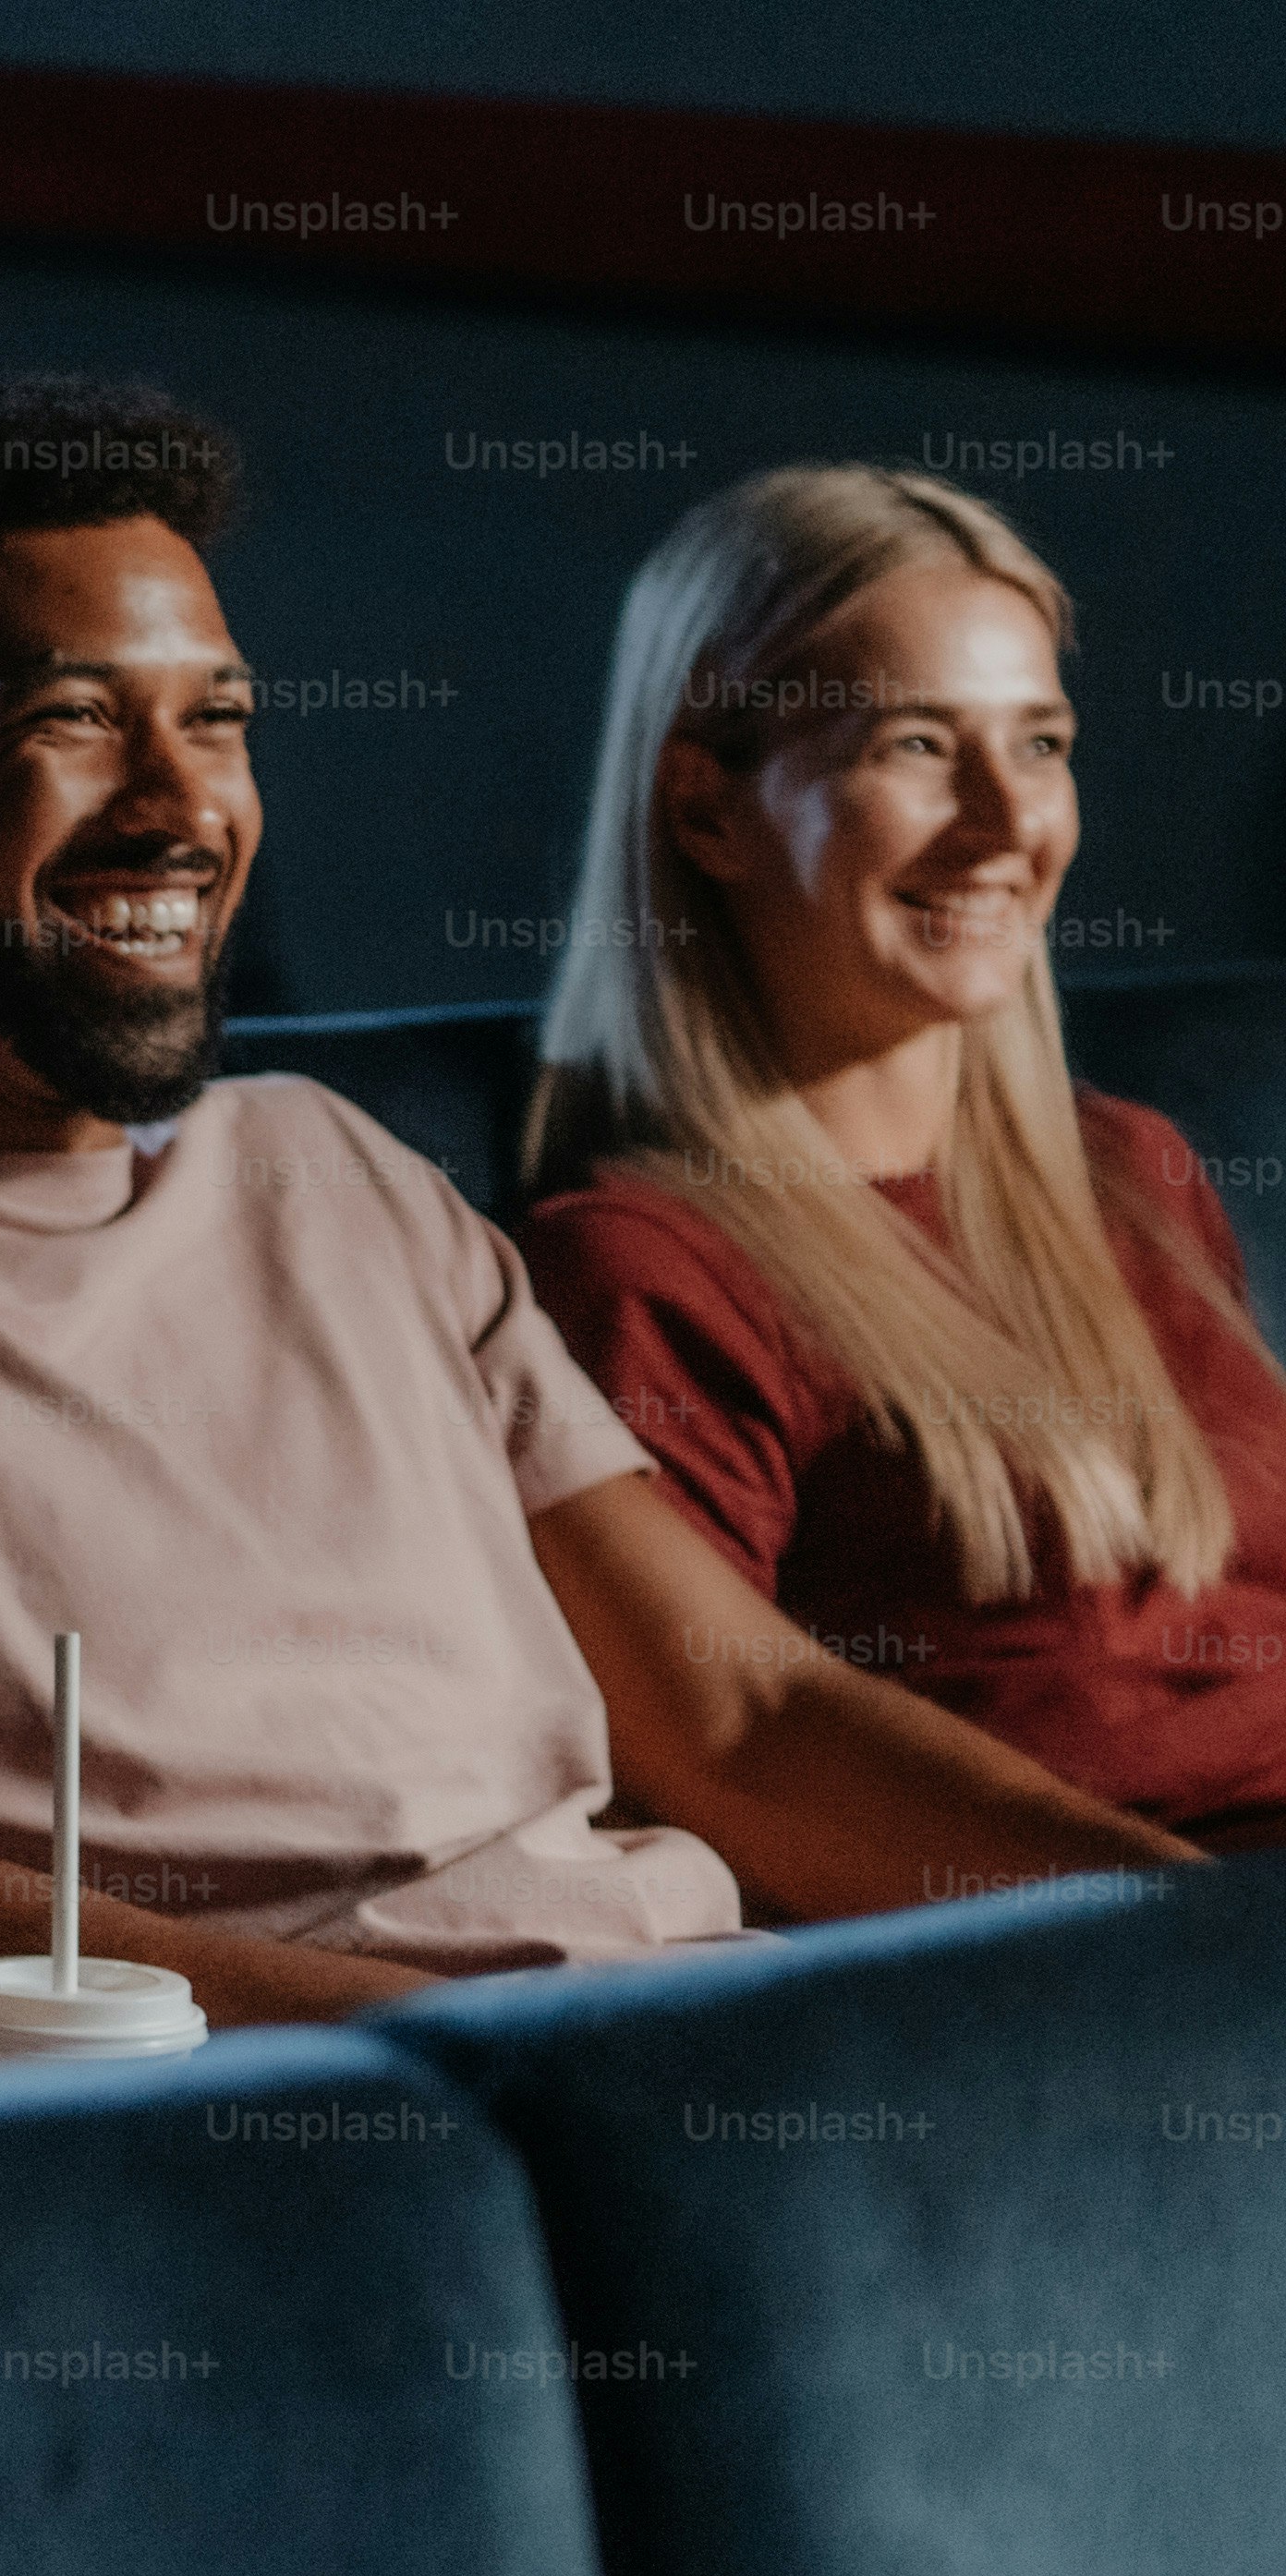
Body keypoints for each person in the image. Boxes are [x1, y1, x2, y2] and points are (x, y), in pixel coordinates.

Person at [0, 374, 1195, 2029]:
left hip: (678, 2041)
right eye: (72, 719)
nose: (181, 801)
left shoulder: (331, 1164)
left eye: (216, 719)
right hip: (298, 2132)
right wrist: (491, 2078)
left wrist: (1205, 1942)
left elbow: (745, 1714)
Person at [517, 466, 1286, 1851]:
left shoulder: (1131, 1166)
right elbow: (720, 1772)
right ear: (704, 810)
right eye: (917, 748)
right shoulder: (639, 1269)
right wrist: (1210, 1948)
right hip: (1133, 1979)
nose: (1007, 826)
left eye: (1041, 745)